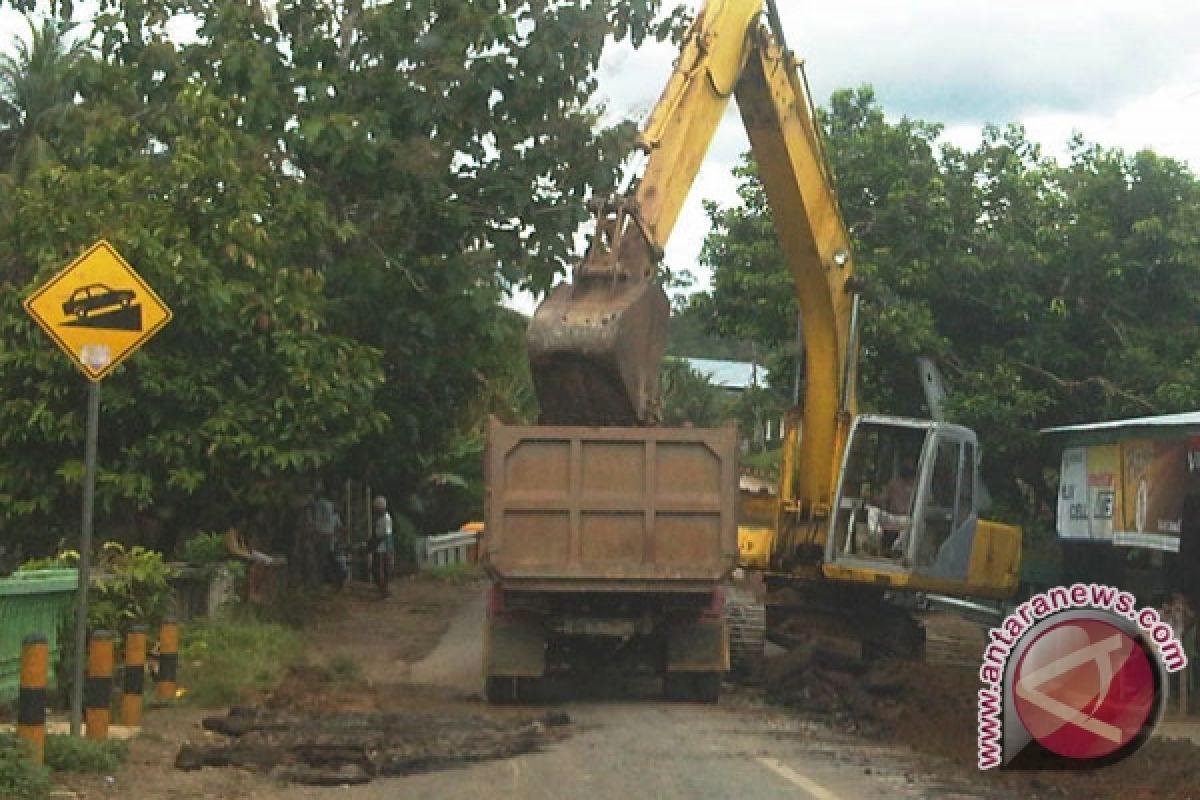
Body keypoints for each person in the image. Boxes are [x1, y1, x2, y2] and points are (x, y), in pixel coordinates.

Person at [876, 456, 917, 556]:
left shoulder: (917, 486)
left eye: (910, 467)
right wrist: (874, 499)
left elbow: (929, 502)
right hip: (893, 518)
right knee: (874, 514)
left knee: (910, 525)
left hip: (908, 519)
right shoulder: (894, 483)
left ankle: (896, 549)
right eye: (906, 467)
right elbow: (882, 499)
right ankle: (877, 546)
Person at [312, 489, 345, 587]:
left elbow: (339, 526)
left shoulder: (333, 512)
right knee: (322, 559)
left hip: (330, 537)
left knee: (331, 558)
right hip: (323, 536)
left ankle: (332, 580)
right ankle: (321, 581)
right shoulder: (323, 504)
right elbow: (318, 522)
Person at [371, 495, 394, 598]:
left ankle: (384, 589)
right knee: (379, 569)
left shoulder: (385, 519)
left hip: (382, 547)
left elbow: (383, 536)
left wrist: (372, 545)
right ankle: (383, 589)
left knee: (381, 569)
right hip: (381, 546)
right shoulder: (381, 518)